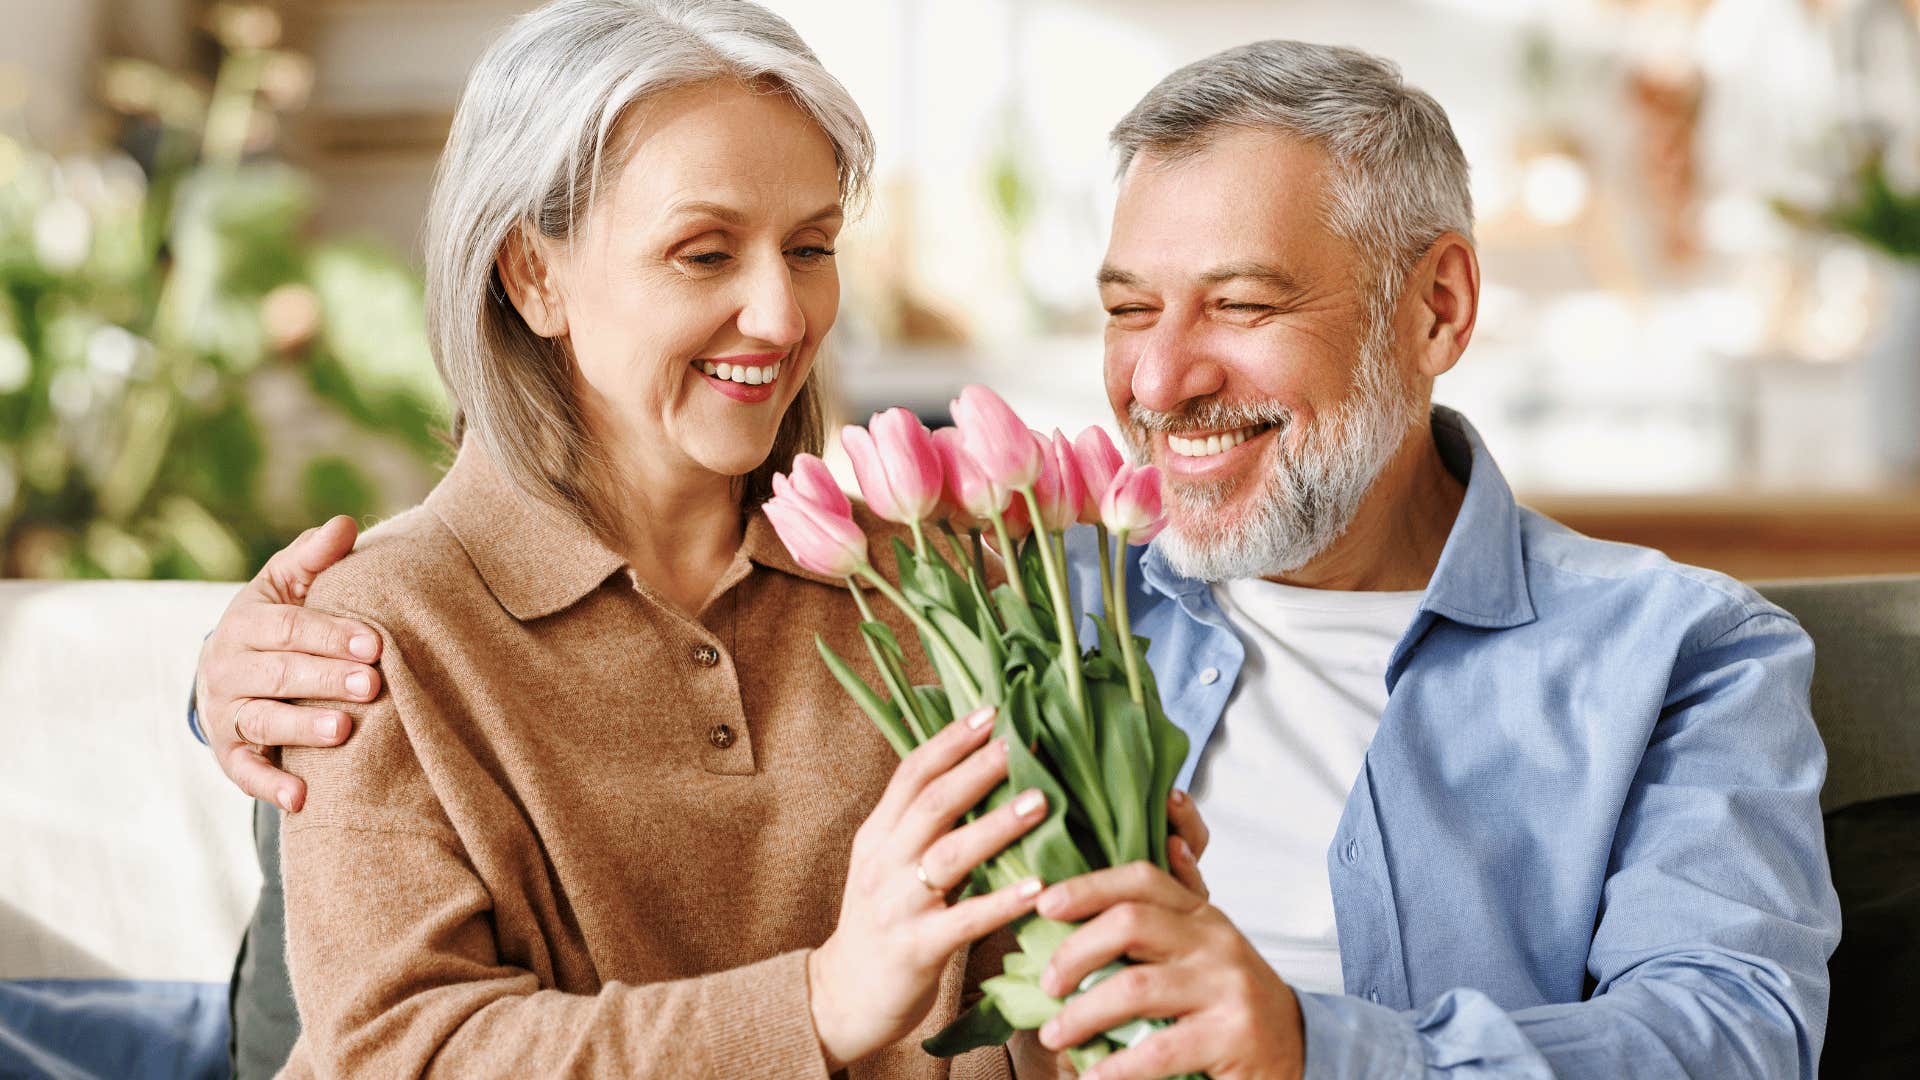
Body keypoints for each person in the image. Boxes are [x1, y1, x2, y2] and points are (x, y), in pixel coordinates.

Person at [198, 33, 1840, 1080]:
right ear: (531, 278)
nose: (1159, 380)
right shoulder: (1012, 594)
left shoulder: (1678, 655)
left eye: (1244, 305)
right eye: (1127, 310)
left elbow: (1734, 1036)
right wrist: (226, 685)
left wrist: (1306, 1049)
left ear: (1443, 312)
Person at [181, 2, 1211, 1076]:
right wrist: (819, 1004)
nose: (780, 314)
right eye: (703, 252)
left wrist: (1105, 937)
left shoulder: (938, 582)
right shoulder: (369, 639)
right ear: (534, 276)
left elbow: (1007, 1027)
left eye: (810, 246)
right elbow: (403, 1056)